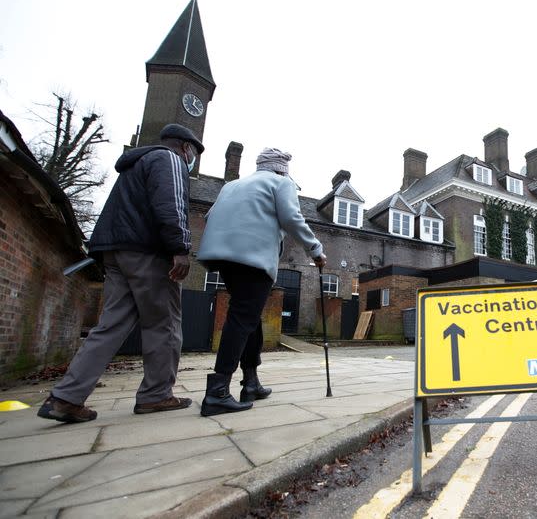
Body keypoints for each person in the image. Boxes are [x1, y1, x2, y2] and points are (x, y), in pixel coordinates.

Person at [38, 123, 202, 423]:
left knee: (110, 325)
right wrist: (180, 248)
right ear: (186, 147)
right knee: (163, 324)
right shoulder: (169, 160)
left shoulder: (136, 164)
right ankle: (156, 395)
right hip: (149, 253)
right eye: (194, 153)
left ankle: (65, 398)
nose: (192, 160)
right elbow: (172, 204)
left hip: (115, 252)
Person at [197, 147, 326, 416]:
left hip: (221, 256)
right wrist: (315, 249)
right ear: (282, 169)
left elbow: (209, 216)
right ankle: (217, 391)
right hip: (252, 258)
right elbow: (291, 217)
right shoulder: (282, 183)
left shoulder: (232, 185)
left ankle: (251, 382)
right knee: (243, 317)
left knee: (250, 318)